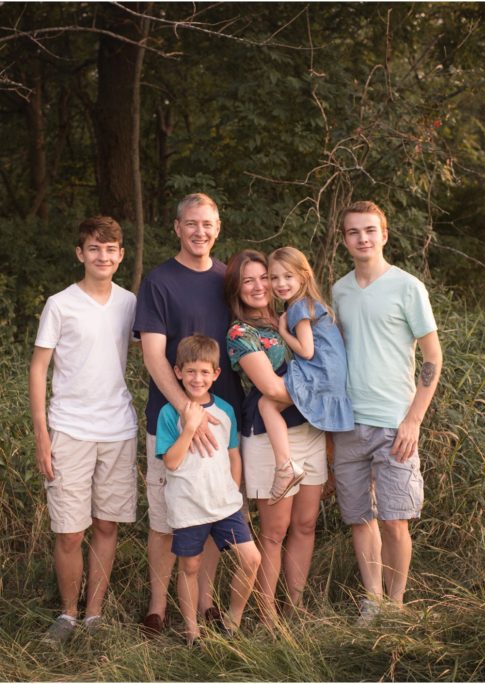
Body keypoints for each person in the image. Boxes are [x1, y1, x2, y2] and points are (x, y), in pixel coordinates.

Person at [133, 193, 245, 635]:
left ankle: (205, 603)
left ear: (218, 227)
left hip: (222, 420)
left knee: (214, 509)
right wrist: (187, 411)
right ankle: (158, 607)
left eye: (208, 224)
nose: (200, 232)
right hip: (170, 419)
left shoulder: (228, 280)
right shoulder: (159, 282)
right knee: (165, 519)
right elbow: (153, 356)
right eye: (191, 224)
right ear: (177, 228)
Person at [330, 200, 442, 623]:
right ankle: (372, 600)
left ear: (384, 234)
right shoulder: (340, 291)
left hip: (395, 423)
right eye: (354, 232)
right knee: (360, 518)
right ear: (345, 239)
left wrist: (413, 420)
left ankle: (396, 604)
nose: (363, 238)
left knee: (396, 519)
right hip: (348, 423)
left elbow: (433, 356)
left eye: (370, 230)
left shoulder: (407, 287)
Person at [29, 216, 138, 644]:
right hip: (69, 429)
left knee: (107, 526)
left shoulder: (130, 303)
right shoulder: (60, 303)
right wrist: (42, 435)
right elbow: (38, 368)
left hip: (119, 428)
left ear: (121, 255)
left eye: (110, 249)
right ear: (80, 253)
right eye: (94, 248)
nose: (102, 256)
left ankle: (94, 615)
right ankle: (67, 614)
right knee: (70, 530)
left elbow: (154, 350)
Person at [224, 249, 327, 625]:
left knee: (305, 524)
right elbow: (270, 387)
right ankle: (268, 617)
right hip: (269, 436)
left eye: (264, 277)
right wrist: (325, 389)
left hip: (311, 429)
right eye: (248, 280)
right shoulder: (241, 333)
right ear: (237, 288)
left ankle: (294, 609)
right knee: (274, 531)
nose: (259, 286)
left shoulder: (295, 315)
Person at [156, 335, 261, 645]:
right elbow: (172, 463)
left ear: (216, 374)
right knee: (190, 566)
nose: (197, 378)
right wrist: (189, 426)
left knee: (251, 559)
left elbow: (232, 454)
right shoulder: (168, 413)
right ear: (177, 372)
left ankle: (232, 622)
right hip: (188, 505)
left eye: (204, 372)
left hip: (224, 502)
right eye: (190, 371)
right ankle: (192, 632)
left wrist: (235, 494)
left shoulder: (226, 410)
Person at [258, 246, 354, 504]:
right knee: (323, 428)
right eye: (274, 277)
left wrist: (283, 330)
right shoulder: (313, 304)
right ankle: (332, 475)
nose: (280, 284)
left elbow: (307, 351)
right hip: (332, 375)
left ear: (303, 276)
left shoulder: (299, 308)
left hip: (319, 372)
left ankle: (285, 467)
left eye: (288, 276)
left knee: (266, 403)